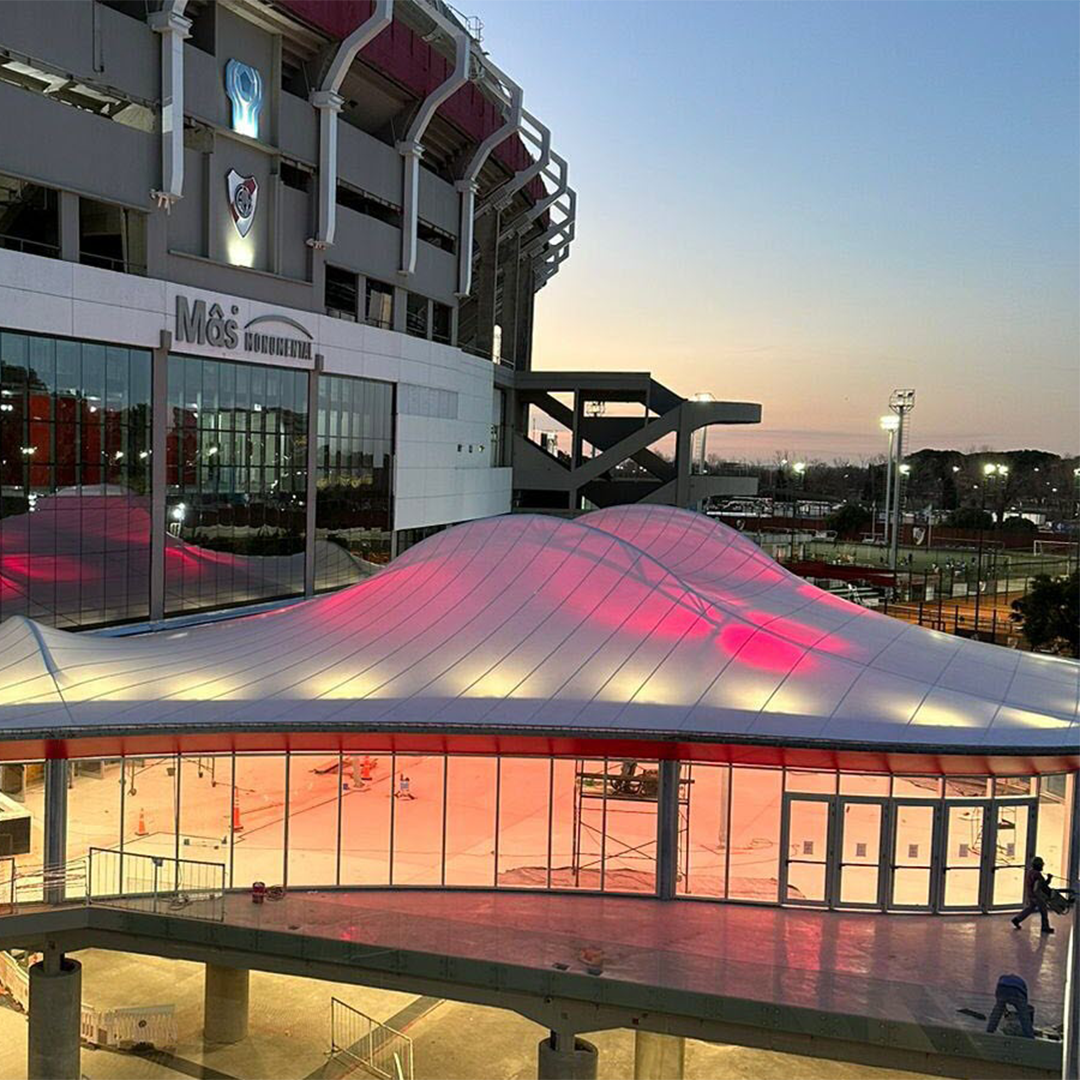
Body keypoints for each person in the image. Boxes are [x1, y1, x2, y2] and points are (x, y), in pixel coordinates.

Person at [1012, 856, 1054, 934]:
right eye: (1041, 865)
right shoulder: (1037, 874)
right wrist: (1049, 878)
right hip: (1037, 895)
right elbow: (1043, 885)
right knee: (1044, 911)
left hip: (1031, 894)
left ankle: (1017, 919)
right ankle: (1045, 927)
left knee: (1029, 908)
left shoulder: (1030, 872)